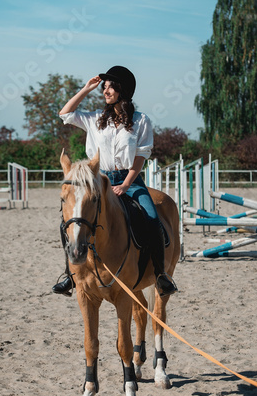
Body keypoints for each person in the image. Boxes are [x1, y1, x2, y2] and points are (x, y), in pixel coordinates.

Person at [53, 65, 178, 297]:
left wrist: (127, 184)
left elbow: (141, 155)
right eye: (104, 87)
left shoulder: (141, 121)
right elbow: (65, 114)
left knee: (152, 219)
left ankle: (161, 275)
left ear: (123, 90)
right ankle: (70, 276)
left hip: (129, 178)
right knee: (71, 220)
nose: (106, 91)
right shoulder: (95, 119)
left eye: (111, 87)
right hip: (98, 180)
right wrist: (86, 89)